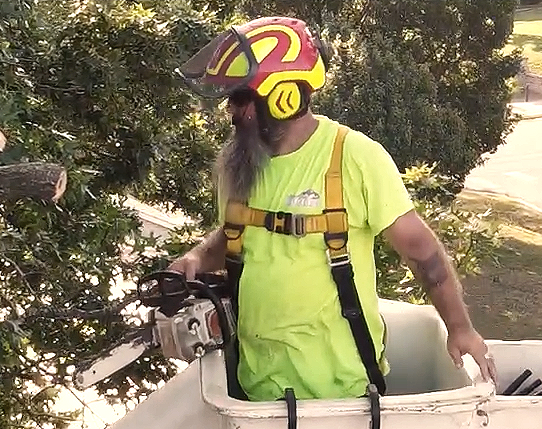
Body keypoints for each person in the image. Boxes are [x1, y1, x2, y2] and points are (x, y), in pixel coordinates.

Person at [169, 15, 496, 402]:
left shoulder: (353, 158)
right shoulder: (240, 166)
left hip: (344, 400)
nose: (231, 111)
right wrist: (197, 257)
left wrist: (460, 329)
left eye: (239, 98)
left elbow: (422, 253)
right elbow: (236, 234)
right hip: (254, 393)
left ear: (283, 96)